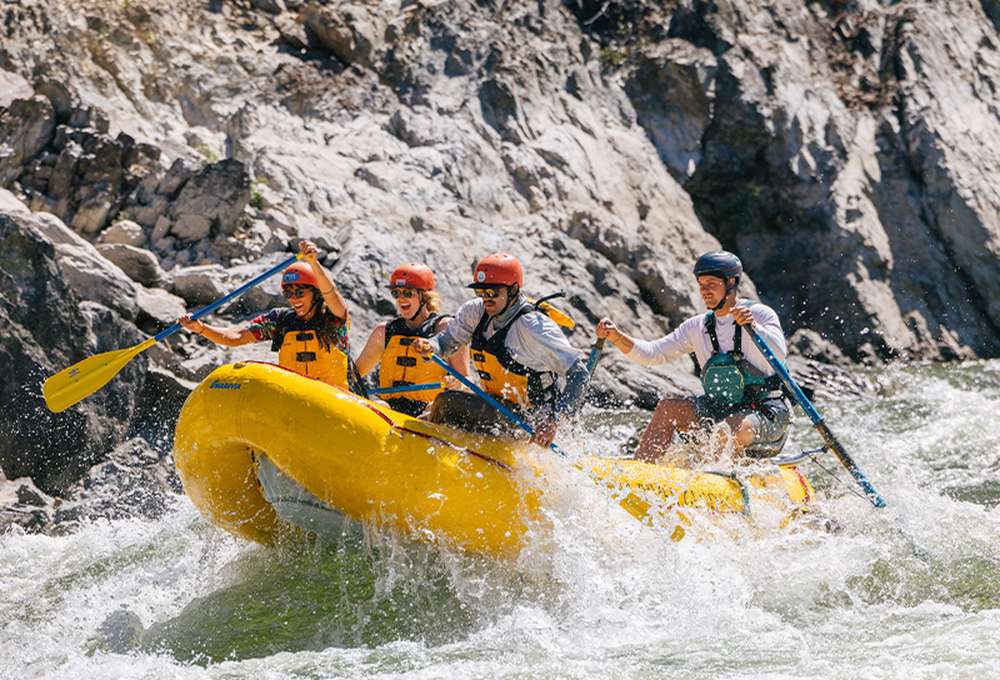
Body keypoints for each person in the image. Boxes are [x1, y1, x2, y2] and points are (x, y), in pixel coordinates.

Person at [596, 250, 791, 463]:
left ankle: (718, 480)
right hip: (720, 409)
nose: (704, 291)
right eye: (701, 285)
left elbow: (779, 354)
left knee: (729, 428)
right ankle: (641, 471)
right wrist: (616, 336)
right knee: (668, 409)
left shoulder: (760, 314)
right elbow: (653, 354)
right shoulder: (697, 327)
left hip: (766, 412)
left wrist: (753, 327)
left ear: (731, 282)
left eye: (711, 284)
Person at [411, 253, 590, 447]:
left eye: (492, 293)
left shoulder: (533, 327)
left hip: (530, 420)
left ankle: (428, 443)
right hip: (496, 405)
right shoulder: (475, 312)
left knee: (447, 401)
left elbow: (579, 374)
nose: (485, 299)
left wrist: (554, 420)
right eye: (481, 292)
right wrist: (431, 346)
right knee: (442, 404)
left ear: (513, 290)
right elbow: (448, 342)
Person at [179, 240, 360, 392]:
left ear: (316, 293)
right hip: (295, 398)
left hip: (335, 399)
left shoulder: (334, 318)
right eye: (289, 294)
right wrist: (201, 328)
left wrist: (314, 263)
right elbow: (237, 337)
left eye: (299, 292)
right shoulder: (279, 320)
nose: (294, 299)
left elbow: (331, 293)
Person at [354, 263, 470, 416]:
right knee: (377, 405)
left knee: (433, 409)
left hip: (429, 410)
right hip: (389, 408)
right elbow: (354, 375)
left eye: (408, 293)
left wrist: (457, 383)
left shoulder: (446, 328)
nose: (401, 299)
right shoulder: (384, 331)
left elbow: (466, 381)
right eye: (396, 293)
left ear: (424, 296)